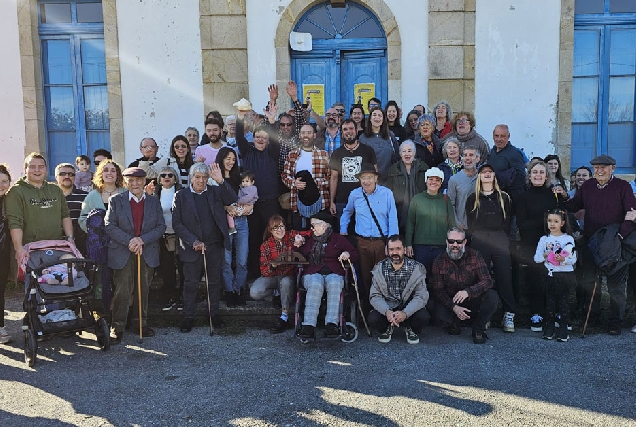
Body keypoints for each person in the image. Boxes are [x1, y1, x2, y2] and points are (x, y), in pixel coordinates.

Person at [563, 154, 636, 335]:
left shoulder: (623, 186)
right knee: (590, 280)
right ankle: (592, 317)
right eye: (596, 167)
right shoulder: (587, 186)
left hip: (615, 243)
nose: (599, 170)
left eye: (604, 167)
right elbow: (574, 206)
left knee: (616, 285)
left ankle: (615, 322)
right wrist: (561, 198)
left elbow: (632, 214)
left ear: (613, 168)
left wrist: (619, 236)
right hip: (592, 242)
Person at [172, 162, 237, 333]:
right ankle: (188, 317)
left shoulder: (215, 191)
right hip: (191, 247)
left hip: (213, 246)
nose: (201, 180)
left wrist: (221, 181)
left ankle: (213, 315)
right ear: (191, 178)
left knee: (214, 282)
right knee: (190, 283)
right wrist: (192, 240)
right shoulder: (181, 195)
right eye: (197, 177)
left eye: (204, 177)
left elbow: (232, 199)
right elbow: (177, 223)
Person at [105, 167, 166, 344]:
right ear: (125, 182)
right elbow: (109, 225)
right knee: (122, 291)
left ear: (144, 181)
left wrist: (142, 240)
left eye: (138, 180)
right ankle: (117, 327)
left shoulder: (154, 202)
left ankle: (140, 324)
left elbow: (161, 226)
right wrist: (131, 241)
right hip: (123, 251)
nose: (135, 183)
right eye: (130, 180)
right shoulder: (116, 200)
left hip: (146, 251)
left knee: (143, 290)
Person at [341, 164, 398, 314]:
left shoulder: (387, 193)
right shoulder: (355, 194)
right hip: (363, 242)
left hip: (381, 242)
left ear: (376, 178)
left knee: (382, 276)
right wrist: (343, 231)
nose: (366, 181)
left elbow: (393, 218)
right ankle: (368, 309)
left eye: (369, 178)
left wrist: (391, 244)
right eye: (363, 178)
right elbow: (347, 212)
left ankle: (383, 309)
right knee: (365, 276)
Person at [465, 163, 516, 332]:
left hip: (499, 238)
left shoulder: (504, 197)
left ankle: (509, 314)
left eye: (490, 172)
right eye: (483, 172)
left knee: (505, 276)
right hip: (479, 238)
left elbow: (508, 222)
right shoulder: (473, 198)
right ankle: (483, 315)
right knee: (481, 278)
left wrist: (503, 238)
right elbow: (470, 223)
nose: (487, 174)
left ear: (494, 176)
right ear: (479, 176)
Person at [516, 159, 565, 332]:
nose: (538, 175)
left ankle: (554, 313)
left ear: (546, 176)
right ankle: (536, 314)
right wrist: (545, 221)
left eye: (541, 173)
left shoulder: (553, 195)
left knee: (553, 279)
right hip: (531, 244)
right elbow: (522, 224)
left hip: (553, 242)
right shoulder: (523, 196)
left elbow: (561, 219)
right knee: (535, 279)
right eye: (535, 172)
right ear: (530, 176)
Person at [295, 211, 358, 339]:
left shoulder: (338, 239)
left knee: (335, 284)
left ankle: (331, 324)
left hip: (334, 272)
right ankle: (308, 325)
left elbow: (354, 253)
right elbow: (297, 256)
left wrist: (347, 253)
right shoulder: (309, 240)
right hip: (313, 273)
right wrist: (297, 245)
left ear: (324, 225)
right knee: (315, 284)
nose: (311, 228)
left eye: (314, 225)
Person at [429, 228, 499, 344]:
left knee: (492, 297)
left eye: (459, 242)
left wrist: (468, 292)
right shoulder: (439, 261)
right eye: (451, 241)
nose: (454, 245)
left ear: (465, 242)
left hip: (472, 299)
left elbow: (487, 281)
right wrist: (454, 307)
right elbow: (438, 291)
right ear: (446, 242)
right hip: (451, 302)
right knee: (435, 310)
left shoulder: (475, 255)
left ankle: (478, 330)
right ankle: (453, 323)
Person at [236, 110, 281, 280]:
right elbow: (239, 137)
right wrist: (240, 118)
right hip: (251, 205)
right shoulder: (247, 151)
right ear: (253, 138)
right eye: (258, 137)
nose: (261, 140)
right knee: (253, 239)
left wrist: (271, 122)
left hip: (270, 203)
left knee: (272, 237)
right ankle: (254, 273)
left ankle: (273, 272)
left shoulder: (272, 152)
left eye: (264, 137)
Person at [6, 153, 73, 264]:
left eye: (41, 167)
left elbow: (65, 215)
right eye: (32, 167)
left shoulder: (55, 189)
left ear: (46, 169)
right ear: (25, 169)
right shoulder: (16, 192)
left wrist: (70, 238)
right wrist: (19, 249)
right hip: (30, 250)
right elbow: (15, 222)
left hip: (56, 247)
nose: (37, 170)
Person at [250, 215, 311, 333]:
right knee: (255, 291)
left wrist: (302, 239)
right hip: (273, 276)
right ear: (270, 230)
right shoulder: (266, 245)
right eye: (275, 228)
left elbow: (309, 233)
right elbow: (264, 270)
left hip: (288, 276)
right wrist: (272, 266)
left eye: (281, 226)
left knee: (286, 282)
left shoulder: (291, 235)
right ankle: (276, 294)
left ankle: (284, 317)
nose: (279, 230)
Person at [369, 235, 430, 345]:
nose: (395, 253)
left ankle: (410, 328)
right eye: (391, 249)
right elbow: (375, 296)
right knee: (373, 318)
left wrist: (405, 313)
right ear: (387, 251)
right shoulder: (379, 268)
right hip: (389, 308)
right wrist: (387, 312)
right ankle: (389, 327)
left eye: (398, 249)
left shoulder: (416, 268)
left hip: (408, 308)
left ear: (405, 250)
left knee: (423, 316)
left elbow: (421, 296)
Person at [215, 148, 253, 308]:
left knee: (242, 259)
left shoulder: (240, 177)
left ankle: (239, 290)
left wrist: (249, 207)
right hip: (224, 223)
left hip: (242, 221)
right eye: (227, 158)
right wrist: (225, 208)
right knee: (226, 260)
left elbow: (250, 195)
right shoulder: (215, 178)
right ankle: (229, 291)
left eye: (233, 159)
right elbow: (213, 201)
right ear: (221, 159)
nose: (231, 162)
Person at [533, 208, 577, 341]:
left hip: (564, 276)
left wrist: (563, 260)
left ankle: (563, 328)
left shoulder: (568, 239)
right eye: (550, 221)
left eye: (556, 221)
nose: (552, 224)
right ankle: (550, 327)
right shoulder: (544, 239)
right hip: (550, 276)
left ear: (562, 223)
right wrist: (544, 256)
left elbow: (573, 259)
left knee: (563, 302)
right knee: (550, 303)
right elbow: (536, 258)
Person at [405, 167, 456, 277]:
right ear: (426, 180)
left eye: (437, 180)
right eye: (431, 179)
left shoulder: (446, 200)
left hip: (441, 246)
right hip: (420, 247)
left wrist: (453, 244)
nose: (434, 182)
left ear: (441, 182)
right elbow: (410, 223)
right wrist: (408, 244)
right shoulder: (417, 199)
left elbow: (452, 225)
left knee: (440, 278)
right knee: (421, 278)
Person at [328, 119, 378, 232]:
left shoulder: (368, 151)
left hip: (365, 200)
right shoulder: (336, 153)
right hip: (342, 201)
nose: (348, 132)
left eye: (351, 128)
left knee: (364, 234)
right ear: (342, 132)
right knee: (344, 234)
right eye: (345, 129)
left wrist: (374, 198)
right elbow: (334, 178)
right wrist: (332, 201)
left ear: (356, 130)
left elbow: (375, 175)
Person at [281, 123, 331, 230]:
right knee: (300, 237)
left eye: (309, 133)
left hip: (320, 203)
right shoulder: (292, 155)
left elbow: (331, 178)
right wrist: (294, 183)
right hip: (298, 203)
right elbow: (285, 175)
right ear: (299, 135)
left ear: (314, 135)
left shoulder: (324, 155)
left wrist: (314, 183)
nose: (306, 135)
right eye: (303, 133)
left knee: (320, 237)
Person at [150, 166, 184, 312]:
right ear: (159, 179)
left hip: (181, 235)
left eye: (170, 175)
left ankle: (183, 297)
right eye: (163, 175)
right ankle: (169, 296)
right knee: (167, 268)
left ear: (175, 177)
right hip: (163, 236)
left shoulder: (182, 192)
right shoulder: (155, 193)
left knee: (183, 267)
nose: (167, 177)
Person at [385, 140, 428, 235]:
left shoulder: (424, 168)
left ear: (414, 153)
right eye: (404, 151)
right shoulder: (393, 170)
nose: (407, 154)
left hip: (421, 211)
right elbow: (389, 192)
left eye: (409, 150)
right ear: (400, 154)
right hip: (400, 212)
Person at [55, 163, 88, 255]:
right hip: (54, 242)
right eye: (62, 174)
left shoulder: (86, 196)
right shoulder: (49, 197)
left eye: (71, 174)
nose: (67, 176)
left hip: (80, 244)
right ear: (56, 176)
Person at [488, 125, 527, 202]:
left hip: (510, 199)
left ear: (508, 136)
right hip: (495, 197)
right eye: (496, 136)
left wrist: (502, 181)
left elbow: (521, 178)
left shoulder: (515, 153)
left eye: (502, 136)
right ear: (493, 136)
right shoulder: (492, 151)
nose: (499, 139)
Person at [359, 106, 398, 181]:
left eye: (380, 115)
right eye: (374, 115)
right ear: (370, 118)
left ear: (383, 119)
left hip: (389, 179)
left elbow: (396, 154)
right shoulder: (363, 138)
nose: (377, 117)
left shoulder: (390, 136)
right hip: (370, 180)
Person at [447, 146, 480, 229]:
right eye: (465, 155)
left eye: (471, 155)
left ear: (477, 159)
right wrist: (457, 224)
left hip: (480, 228)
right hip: (462, 227)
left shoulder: (483, 178)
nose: (467, 158)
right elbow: (450, 204)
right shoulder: (454, 179)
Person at [0, 164, 12, 344]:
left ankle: (0, 328)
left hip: (3, 253)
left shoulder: (10, 201)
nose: (1, 185)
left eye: (4, 181)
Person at [227, 170, 258, 235]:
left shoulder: (251, 189)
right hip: (243, 205)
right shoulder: (244, 188)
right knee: (230, 212)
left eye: (247, 181)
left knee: (230, 214)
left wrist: (239, 202)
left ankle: (232, 228)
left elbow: (248, 197)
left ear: (252, 182)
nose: (244, 183)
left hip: (244, 206)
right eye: (243, 181)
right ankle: (232, 227)